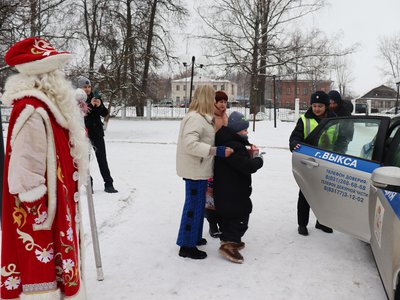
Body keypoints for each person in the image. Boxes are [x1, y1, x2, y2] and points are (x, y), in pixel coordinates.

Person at [1, 37, 89, 299]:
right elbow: (25, 173)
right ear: (43, 76)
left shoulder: (48, 107)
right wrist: (42, 219)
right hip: (40, 216)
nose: (60, 78)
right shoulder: (32, 110)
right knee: (42, 279)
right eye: (55, 72)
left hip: (56, 207)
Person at [176, 85, 233, 260]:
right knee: (193, 207)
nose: (215, 102)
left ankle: (194, 237)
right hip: (195, 169)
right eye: (212, 98)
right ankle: (186, 245)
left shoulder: (202, 117)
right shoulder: (195, 118)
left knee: (199, 205)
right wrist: (217, 151)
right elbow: (191, 144)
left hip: (199, 168)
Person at [213, 111, 263, 263]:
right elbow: (246, 166)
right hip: (233, 190)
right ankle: (229, 244)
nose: (247, 132)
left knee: (229, 214)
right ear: (236, 130)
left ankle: (227, 239)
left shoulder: (227, 140)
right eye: (244, 129)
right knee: (241, 213)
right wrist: (258, 160)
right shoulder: (234, 145)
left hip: (227, 188)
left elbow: (238, 161)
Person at [289, 91, 336, 236]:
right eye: (314, 105)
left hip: (329, 162)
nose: (316, 109)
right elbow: (294, 138)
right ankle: (302, 224)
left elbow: (343, 137)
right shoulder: (304, 119)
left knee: (325, 194)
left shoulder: (335, 119)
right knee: (305, 193)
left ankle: (322, 222)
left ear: (326, 106)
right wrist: (295, 144)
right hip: (309, 162)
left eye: (320, 106)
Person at [77, 76, 118, 193]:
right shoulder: (77, 100)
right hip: (84, 134)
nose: (87, 89)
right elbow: (80, 113)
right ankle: (89, 184)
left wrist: (99, 105)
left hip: (97, 133)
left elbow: (105, 113)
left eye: (89, 86)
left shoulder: (95, 97)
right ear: (80, 88)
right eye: (85, 87)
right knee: (85, 160)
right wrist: (90, 105)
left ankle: (109, 183)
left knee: (102, 159)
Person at [204, 90, 229, 238]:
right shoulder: (210, 117)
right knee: (210, 194)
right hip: (212, 158)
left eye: (225, 102)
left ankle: (222, 221)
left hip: (224, 158)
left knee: (222, 192)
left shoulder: (226, 116)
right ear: (214, 102)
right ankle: (212, 224)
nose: (223, 105)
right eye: (220, 102)